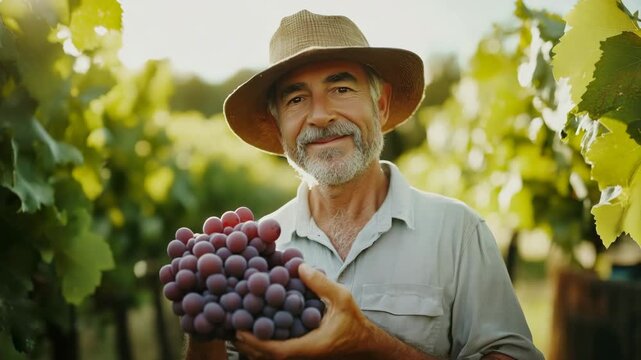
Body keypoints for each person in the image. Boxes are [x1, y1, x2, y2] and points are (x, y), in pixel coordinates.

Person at [186, 9, 544, 360]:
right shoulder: (254, 255)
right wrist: (203, 335)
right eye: (296, 99)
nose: (320, 115)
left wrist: (370, 344)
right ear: (278, 126)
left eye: (341, 89)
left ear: (381, 105)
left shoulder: (457, 232)